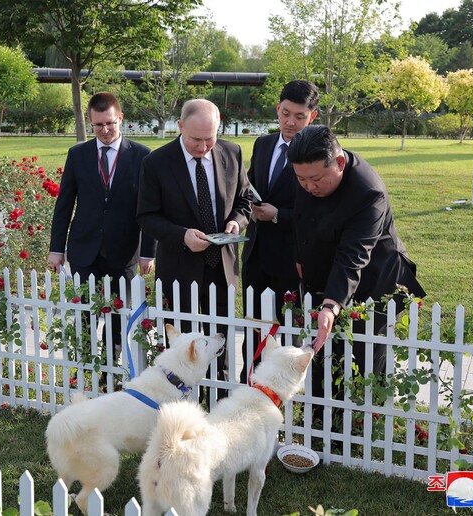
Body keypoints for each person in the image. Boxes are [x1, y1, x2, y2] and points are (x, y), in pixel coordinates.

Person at [288, 125, 426, 402]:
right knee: (324, 356)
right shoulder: (309, 172)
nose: (308, 187)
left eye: (315, 179)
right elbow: (302, 218)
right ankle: (322, 419)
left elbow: (354, 255)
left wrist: (331, 304)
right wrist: (301, 258)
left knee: (367, 362)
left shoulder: (368, 192)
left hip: (375, 284)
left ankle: (366, 422)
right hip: (329, 278)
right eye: (301, 180)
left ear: (339, 163)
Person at [137, 99, 252, 389]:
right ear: (179, 126)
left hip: (222, 265)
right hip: (179, 267)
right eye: (195, 139)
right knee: (182, 344)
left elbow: (245, 199)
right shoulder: (156, 162)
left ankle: (219, 398)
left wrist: (236, 221)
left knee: (220, 339)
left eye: (209, 139)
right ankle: (184, 401)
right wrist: (182, 236)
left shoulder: (232, 152)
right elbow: (147, 217)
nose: (203, 147)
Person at [48, 92, 155, 359]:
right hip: (84, 251)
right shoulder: (78, 154)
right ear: (90, 122)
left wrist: (148, 252)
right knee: (86, 315)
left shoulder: (143, 156)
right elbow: (64, 205)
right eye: (98, 125)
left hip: (124, 253)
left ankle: (111, 371)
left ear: (120, 119)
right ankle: (86, 370)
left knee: (117, 318)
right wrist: (56, 248)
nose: (105, 130)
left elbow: (151, 208)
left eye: (110, 123)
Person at [240, 80, 319, 383]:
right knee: (255, 327)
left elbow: (319, 210)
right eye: (286, 113)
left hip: (293, 256)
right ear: (277, 108)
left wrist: (278, 216)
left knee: (288, 332)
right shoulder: (263, 144)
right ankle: (250, 383)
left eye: (299, 116)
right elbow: (249, 185)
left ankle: (286, 391)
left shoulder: (317, 151)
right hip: (256, 253)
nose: (290, 122)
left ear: (312, 116)